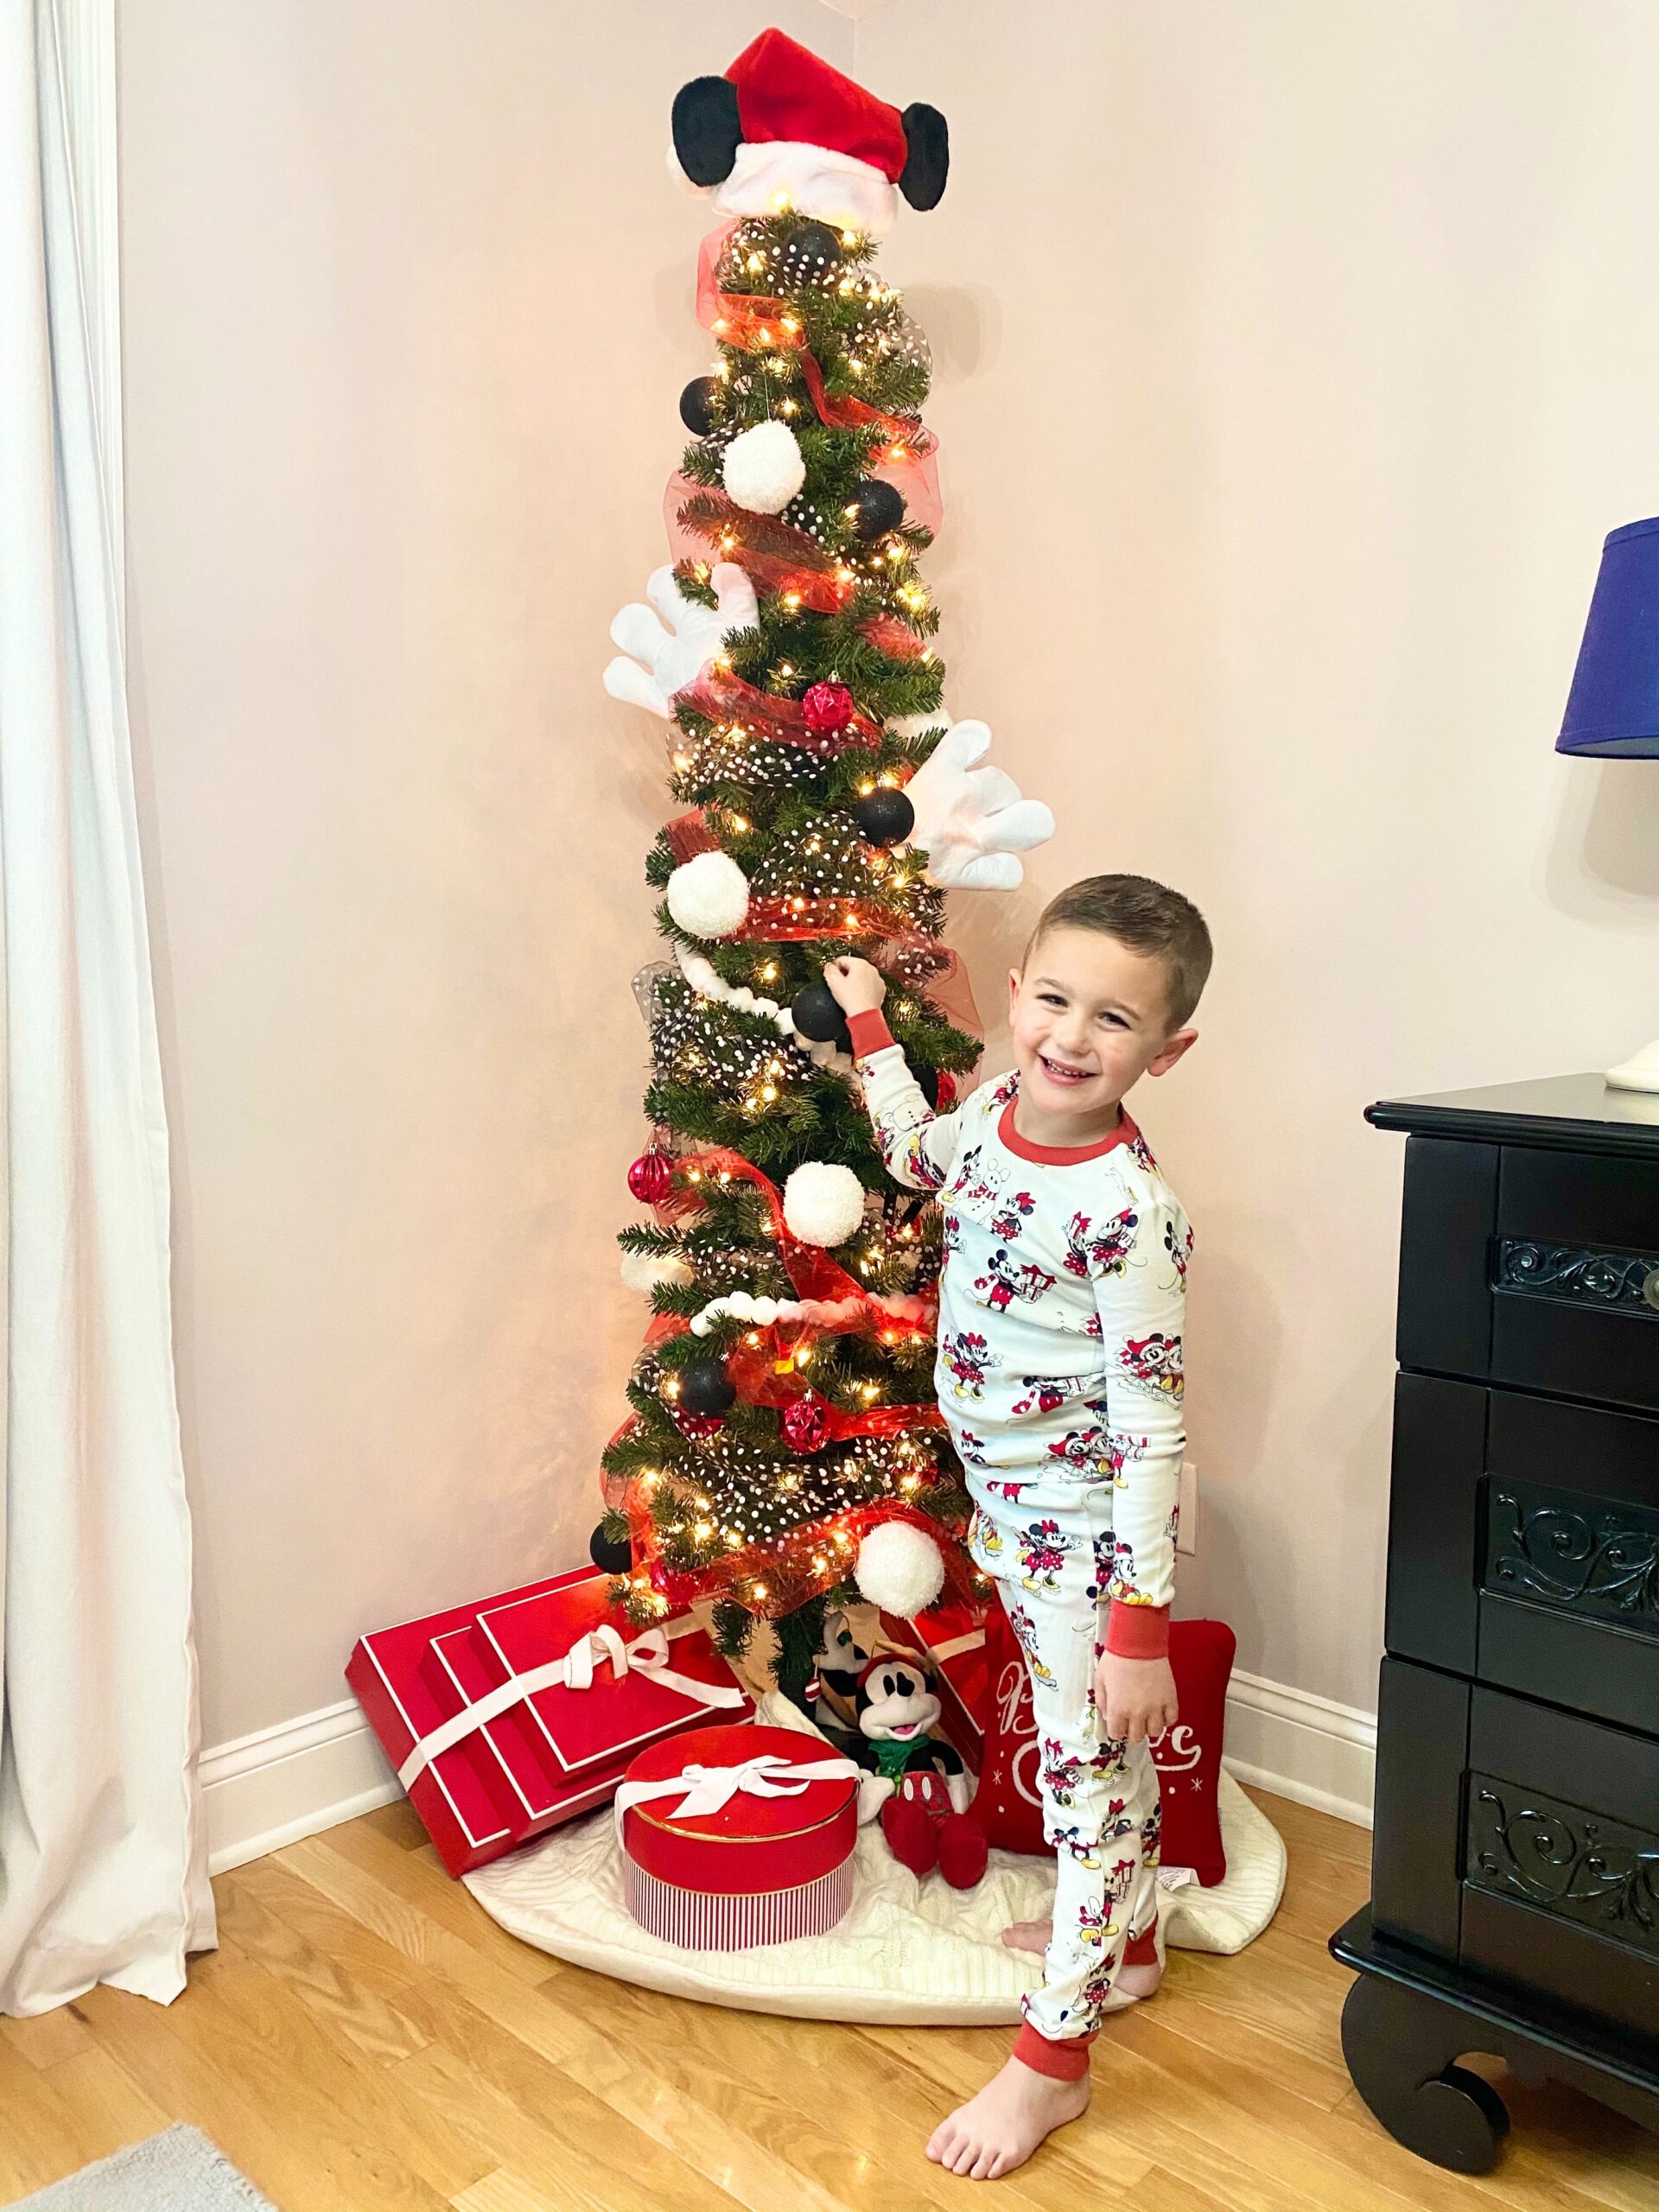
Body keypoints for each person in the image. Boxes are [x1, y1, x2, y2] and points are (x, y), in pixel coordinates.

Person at [824, 872, 1212, 2182]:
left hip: (1097, 1549)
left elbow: (1154, 1429)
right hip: (1013, 1518)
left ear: (1167, 1051)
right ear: (1015, 996)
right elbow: (910, 1154)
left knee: (1088, 1788)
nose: (1070, 1036)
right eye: (1054, 998)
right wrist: (875, 1030)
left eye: (1114, 1019)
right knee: (1095, 1765)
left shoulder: (1129, 1212)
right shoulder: (990, 1115)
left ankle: (1054, 2062)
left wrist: (1138, 1626)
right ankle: (1138, 1945)